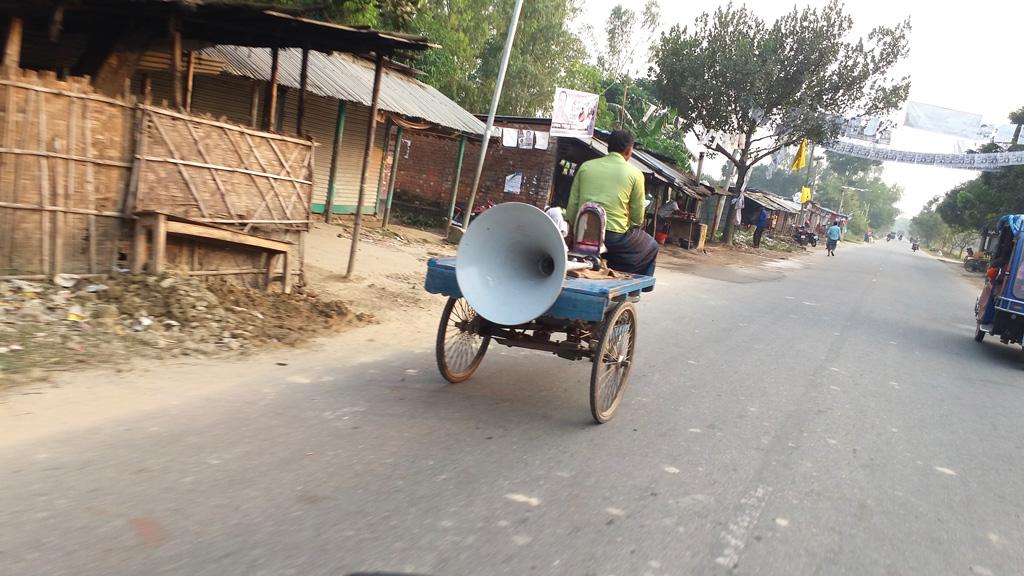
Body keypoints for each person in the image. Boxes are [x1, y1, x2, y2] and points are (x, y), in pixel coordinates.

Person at [566, 129, 658, 281]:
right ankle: (633, 283)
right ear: (629, 150)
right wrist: (635, 226)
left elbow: (572, 206)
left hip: (582, 234)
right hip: (613, 237)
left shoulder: (585, 167)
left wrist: (572, 228)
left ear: (608, 147)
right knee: (652, 246)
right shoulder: (635, 174)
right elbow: (637, 217)